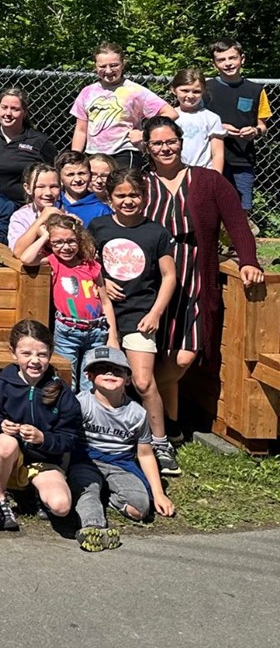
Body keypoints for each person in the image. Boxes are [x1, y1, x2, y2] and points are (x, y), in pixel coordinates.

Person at [139, 116, 262, 465]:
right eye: (157, 143)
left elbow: (236, 221)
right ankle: (170, 426)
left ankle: (140, 405)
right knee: (157, 348)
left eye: (170, 142)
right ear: (147, 147)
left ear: (181, 141)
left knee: (182, 355)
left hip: (195, 271)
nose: (165, 148)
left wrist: (249, 259)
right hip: (152, 277)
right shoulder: (142, 183)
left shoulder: (208, 180)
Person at [89, 167, 177, 474]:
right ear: (110, 198)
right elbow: (88, 265)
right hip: (106, 314)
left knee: (141, 381)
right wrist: (101, 283)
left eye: (134, 194)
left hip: (141, 315)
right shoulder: (98, 227)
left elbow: (169, 277)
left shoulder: (156, 232)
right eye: (121, 195)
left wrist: (155, 313)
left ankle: (161, 442)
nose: (128, 201)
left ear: (145, 196)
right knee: (102, 378)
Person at [67, 346, 176, 552]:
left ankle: (108, 494)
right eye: (102, 369)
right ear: (89, 376)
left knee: (139, 509)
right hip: (85, 460)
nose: (110, 373)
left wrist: (159, 493)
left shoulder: (137, 413)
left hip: (121, 463)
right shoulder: (80, 404)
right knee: (87, 493)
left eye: (118, 370)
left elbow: (145, 454)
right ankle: (94, 528)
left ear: (128, 379)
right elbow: (66, 442)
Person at [0, 320, 81, 533]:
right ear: (13, 353)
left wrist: (43, 438)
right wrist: (1, 425)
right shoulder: (4, 382)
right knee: (6, 442)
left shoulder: (61, 391)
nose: (35, 361)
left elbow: (70, 437)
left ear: (51, 353)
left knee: (61, 507)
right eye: (26, 354)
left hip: (43, 461)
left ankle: (33, 492)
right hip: (9, 457)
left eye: (42, 354)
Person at [17, 213, 107, 388]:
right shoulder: (54, 261)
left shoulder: (91, 265)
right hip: (68, 330)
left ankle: (85, 415)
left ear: (80, 240)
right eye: (58, 242)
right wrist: (43, 236)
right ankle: (68, 413)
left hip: (96, 330)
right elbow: (26, 258)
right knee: (67, 379)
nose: (65, 247)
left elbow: (105, 301)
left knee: (91, 381)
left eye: (71, 241)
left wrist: (112, 337)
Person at [70, 43, 168, 169]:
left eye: (114, 65)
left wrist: (145, 134)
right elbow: (81, 130)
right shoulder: (87, 92)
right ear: (95, 66)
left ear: (123, 63)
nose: (108, 71)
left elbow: (169, 113)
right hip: (94, 154)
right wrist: (76, 158)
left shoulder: (135, 90)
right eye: (102, 66)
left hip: (124, 152)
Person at [203, 38, 271, 212]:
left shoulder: (256, 90)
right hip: (208, 159)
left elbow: (263, 126)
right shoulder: (205, 89)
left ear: (242, 59)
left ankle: (239, 239)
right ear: (214, 64)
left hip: (242, 160)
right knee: (210, 208)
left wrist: (255, 130)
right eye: (221, 60)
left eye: (232, 58)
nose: (228, 63)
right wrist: (219, 127)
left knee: (241, 210)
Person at [0, 88, 57, 204]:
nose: (8, 113)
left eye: (15, 109)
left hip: (25, 206)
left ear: (24, 112)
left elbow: (55, 174)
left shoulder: (39, 141)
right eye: (4, 107)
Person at [167, 68, 225, 172]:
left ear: (203, 92)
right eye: (185, 90)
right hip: (173, 172)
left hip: (202, 172)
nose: (190, 96)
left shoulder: (211, 118)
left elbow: (217, 153)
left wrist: (216, 177)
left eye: (196, 91)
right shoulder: (169, 116)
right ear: (173, 90)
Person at [6, 163, 61, 253]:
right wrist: (41, 219)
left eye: (54, 186)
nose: (48, 192)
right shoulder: (21, 217)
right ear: (28, 188)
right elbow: (18, 251)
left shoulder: (64, 213)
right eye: (41, 186)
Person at [53, 150, 109, 225]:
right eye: (70, 174)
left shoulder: (101, 210)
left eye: (82, 173)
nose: (77, 179)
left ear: (90, 175)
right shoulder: (53, 202)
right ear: (60, 178)